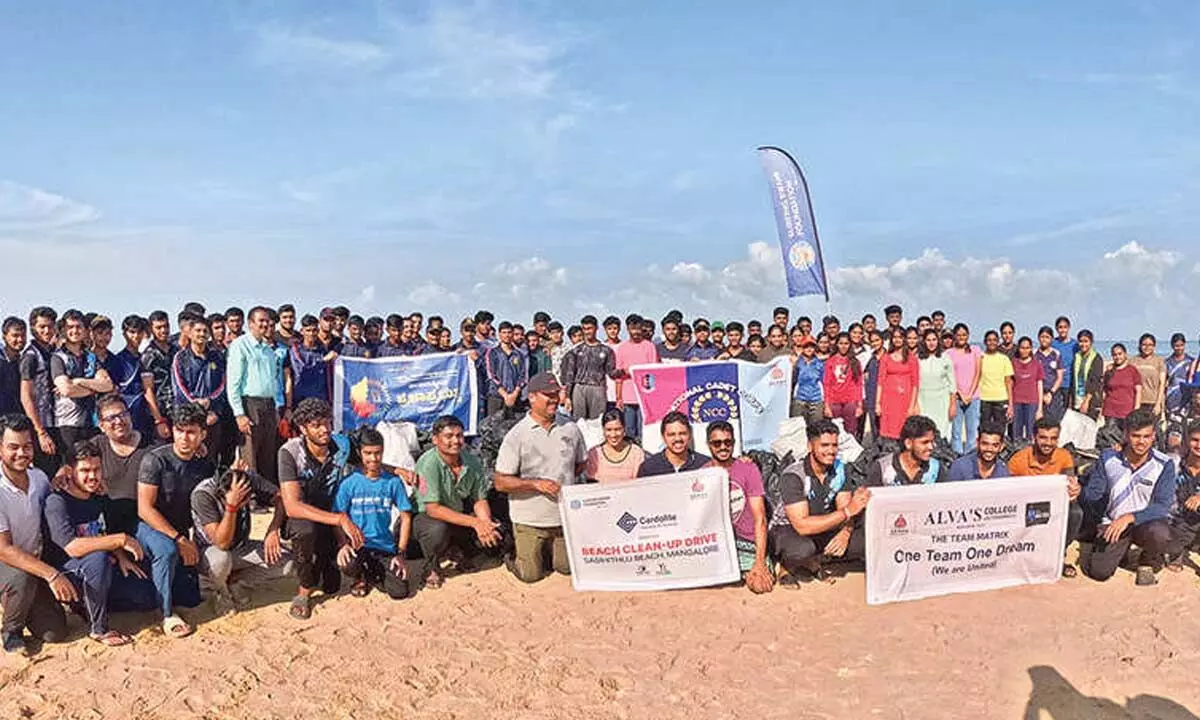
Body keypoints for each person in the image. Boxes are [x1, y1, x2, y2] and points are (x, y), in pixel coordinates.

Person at [43, 441, 147, 646]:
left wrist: (120, 556)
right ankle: (98, 628)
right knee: (97, 559)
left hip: (101, 570)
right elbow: (72, 547)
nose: (92, 476)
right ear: (70, 471)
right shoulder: (57, 502)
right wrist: (121, 539)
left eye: (97, 469)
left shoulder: (97, 497)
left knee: (144, 596)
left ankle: (90, 605)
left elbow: (100, 532)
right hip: (68, 573)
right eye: (85, 470)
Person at [493, 373, 587, 583]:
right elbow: (500, 482)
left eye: (556, 393)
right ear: (532, 397)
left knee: (565, 569)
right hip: (529, 519)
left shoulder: (571, 428)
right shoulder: (517, 435)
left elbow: (581, 465)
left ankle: (548, 552)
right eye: (548, 395)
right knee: (531, 576)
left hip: (563, 518)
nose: (554, 398)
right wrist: (536, 484)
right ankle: (512, 557)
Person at [278, 398, 363, 618]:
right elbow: (292, 506)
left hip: (332, 515)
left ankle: (334, 562)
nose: (324, 429)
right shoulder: (289, 452)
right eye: (316, 425)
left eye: (327, 422)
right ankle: (303, 593)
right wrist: (339, 520)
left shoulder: (342, 444)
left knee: (334, 582)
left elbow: (369, 462)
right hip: (304, 518)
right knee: (304, 531)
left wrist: (399, 471)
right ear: (303, 429)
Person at [135, 403, 212, 639]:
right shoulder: (155, 460)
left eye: (191, 432)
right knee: (167, 551)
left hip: (182, 528)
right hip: (149, 526)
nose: (184, 437)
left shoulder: (204, 464)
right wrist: (179, 539)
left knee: (191, 598)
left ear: (202, 435)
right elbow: (144, 509)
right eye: (180, 430)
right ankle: (167, 615)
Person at [0, 414, 75, 655]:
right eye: (13, 447)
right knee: (19, 578)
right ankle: (11, 630)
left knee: (55, 633)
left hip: (33, 563)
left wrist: (68, 480)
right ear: (0, 448)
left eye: (27, 446)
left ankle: (22, 600)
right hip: (7, 563)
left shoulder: (39, 478)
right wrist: (51, 575)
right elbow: (3, 549)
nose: (21, 453)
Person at [770, 419, 870, 586]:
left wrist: (845, 532)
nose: (831, 451)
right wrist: (847, 512)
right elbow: (802, 526)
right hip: (788, 528)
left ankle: (813, 560)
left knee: (862, 541)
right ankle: (788, 565)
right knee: (802, 549)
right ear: (810, 447)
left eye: (834, 445)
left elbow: (846, 507)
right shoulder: (794, 475)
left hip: (823, 523)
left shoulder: (840, 469)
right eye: (824, 445)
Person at [1081, 408, 1173, 586]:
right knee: (1099, 572)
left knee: (1160, 533)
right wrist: (1080, 490)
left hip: (1144, 523)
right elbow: (1093, 495)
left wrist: (1130, 517)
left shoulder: (1164, 464)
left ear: (1154, 436)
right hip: (1113, 523)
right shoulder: (1108, 458)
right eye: (1136, 436)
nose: (1141, 442)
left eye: (1146, 436)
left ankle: (1147, 560)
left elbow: (1162, 506)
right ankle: (1120, 552)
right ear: (1125, 435)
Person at [412, 415, 500, 589]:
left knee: (496, 534)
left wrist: (486, 524)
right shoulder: (428, 463)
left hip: (457, 512)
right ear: (435, 440)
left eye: (459, 435)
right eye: (449, 436)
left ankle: (455, 551)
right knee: (437, 529)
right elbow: (433, 509)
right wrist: (476, 523)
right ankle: (431, 567)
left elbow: (479, 499)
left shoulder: (471, 461)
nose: (456, 441)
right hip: (426, 518)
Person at [191, 462, 288, 611]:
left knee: (288, 562)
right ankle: (220, 592)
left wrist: (273, 529)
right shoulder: (202, 495)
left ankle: (235, 580)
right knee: (221, 560)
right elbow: (221, 543)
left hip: (241, 547)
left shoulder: (247, 480)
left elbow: (281, 498)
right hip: (210, 552)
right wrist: (231, 507)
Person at [332, 428, 411, 600]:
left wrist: (400, 553)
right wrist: (343, 544)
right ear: (360, 453)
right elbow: (338, 517)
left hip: (384, 546)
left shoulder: (393, 482)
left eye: (378, 453)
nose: (373, 458)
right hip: (357, 545)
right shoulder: (348, 483)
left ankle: (374, 573)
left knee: (399, 592)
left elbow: (406, 517)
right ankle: (359, 577)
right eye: (368, 453)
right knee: (348, 562)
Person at [1007, 417, 1084, 577]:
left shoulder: (1064, 456)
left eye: (1053, 438)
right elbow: (1008, 494)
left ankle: (1057, 556)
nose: (1048, 443)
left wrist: (1074, 490)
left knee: (1076, 513)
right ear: (1034, 437)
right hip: (1024, 508)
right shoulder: (1018, 460)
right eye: (1043, 437)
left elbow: (1070, 483)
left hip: (1052, 507)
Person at [703, 421, 772, 593]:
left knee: (760, 586)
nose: (723, 447)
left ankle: (760, 566)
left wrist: (760, 563)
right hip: (719, 544)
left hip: (747, 542)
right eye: (717, 443)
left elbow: (760, 519)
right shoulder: (702, 474)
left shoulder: (748, 469)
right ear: (708, 445)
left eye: (728, 442)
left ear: (734, 443)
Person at [171, 313, 236, 471]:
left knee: (212, 459)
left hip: (212, 417)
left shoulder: (217, 357)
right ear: (190, 333)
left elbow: (223, 384)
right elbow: (179, 388)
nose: (202, 334)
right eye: (198, 330)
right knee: (190, 459)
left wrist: (211, 404)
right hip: (189, 418)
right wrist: (197, 408)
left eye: (205, 331)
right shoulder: (181, 357)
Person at [227, 307, 283, 481]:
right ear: (251, 324)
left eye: (267, 321)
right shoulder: (240, 345)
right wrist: (239, 414)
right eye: (261, 321)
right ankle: (249, 497)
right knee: (249, 453)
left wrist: (276, 408)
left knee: (267, 452)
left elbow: (273, 382)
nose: (265, 324)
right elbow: (233, 383)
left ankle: (265, 495)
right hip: (249, 404)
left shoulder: (268, 350)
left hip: (268, 405)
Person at [50, 309, 113, 460]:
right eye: (70, 327)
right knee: (70, 468)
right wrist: (93, 388)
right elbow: (66, 389)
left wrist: (79, 381)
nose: (74, 331)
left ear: (85, 330)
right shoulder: (58, 358)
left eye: (78, 327)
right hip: (68, 423)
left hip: (93, 421)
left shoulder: (91, 357)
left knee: (94, 466)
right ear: (64, 330)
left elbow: (107, 385)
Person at [20, 307, 60, 475]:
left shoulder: (50, 352)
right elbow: (26, 396)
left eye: (50, 326)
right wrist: (40, 432)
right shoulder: (30, 356)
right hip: (40, 427)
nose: (46, 331)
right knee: (44, 475)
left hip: (55, 423)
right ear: (32, 328)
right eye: (42, 326)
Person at [865, 415, 948, 486]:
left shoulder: (936, 468)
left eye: (932, 442)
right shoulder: (883, 468)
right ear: (908, 443)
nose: (931, 447)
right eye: (925, 442)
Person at [561, 315, 616, 421]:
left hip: (598, 388)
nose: (587, 332)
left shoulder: (606, 350)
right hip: (579, 388)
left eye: (589, 328)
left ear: (596, 328)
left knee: (597, 422)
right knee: (579, 422)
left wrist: (626, 371)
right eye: (584, 329)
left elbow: (611, 372)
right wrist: (568, 396)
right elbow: (570, 374)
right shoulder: (575, 351)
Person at [613, 316, 659, 440]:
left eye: (638, 328)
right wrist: (618, 397)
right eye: (633, 328)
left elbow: (655, 373)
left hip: (645, 397)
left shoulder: (650, 346)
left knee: (645, 432)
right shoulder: (622, 348)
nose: (636, 332)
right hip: (628, 398)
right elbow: (618, 375)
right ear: (627, 329)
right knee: (629, 432)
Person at [1165, 421, 1200, 571]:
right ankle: (1177, 551)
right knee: (1173, 545)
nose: (1199, 445)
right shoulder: (1173, 463)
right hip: (1177, 519)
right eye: (1195, 440)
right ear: (1186, 440)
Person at [875, 327, 920, 440]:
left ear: (904, 339)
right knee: (888, 433)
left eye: (900, 337)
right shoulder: (885, 358)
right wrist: (878, 403)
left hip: (905, 401)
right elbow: (880, 382)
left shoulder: (911, 358)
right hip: (888, 401)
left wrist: (912, 406)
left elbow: (915, 384)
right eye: (895, 337)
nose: (897, 340)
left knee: (905, 433)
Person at [140, 310, 177, 443]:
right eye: (159, 327)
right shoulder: (148, 355)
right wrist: (158, 420)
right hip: (161, 412)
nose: (163, 330)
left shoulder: (176, 351)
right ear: (151, 329)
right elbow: (148, 390)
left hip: (178, 410)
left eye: (166, 326)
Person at [111, 315, 151, 436]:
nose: (135, 336)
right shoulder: (117, 360)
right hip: (127, 417)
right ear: (124, 334)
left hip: (146, 415)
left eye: (139, 332)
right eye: (132, 332)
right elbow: (113, 391)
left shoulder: (146, 358)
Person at [637, 412, 711, 476]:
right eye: (671, 434)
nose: (678, 439)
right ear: (663, 437)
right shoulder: (649, 468)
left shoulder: (705, 465)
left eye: (682, 433)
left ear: (690, 434)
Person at [946, 323, 982, 454]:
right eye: (959, 335)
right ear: (954, 336)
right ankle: (957, 459)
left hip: (974, 396)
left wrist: (970, 394)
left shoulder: (975, 350)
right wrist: (960, 394)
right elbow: (950, 377)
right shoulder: (948, 353)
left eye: (964, 335)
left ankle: (970, 459)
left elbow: (978, 373)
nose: (961, 337)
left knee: (972, 431)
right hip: (956, 397)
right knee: (956, 432)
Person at [286, 315, 335, 407]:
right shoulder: (296, 350)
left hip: (320, 400)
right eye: (308, 330)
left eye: (314, 330)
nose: (311, 334)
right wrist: (324, 361)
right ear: (302, 331)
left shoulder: (323, 351)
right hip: (301, 401)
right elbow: (302, 370)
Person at [585, 409, 646, 483]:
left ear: (624, 429)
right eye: (608, 430)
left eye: (617, 429)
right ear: (603, 430)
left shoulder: (636, 453)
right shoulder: (594, 453)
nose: (613, 435)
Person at [483, 322, 529, 419]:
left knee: (513, 428)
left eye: (509, 332)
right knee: (493, 427)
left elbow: (523, 376)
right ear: (499, 334)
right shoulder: (492, 353)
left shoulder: (519, 354)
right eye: (504, 332)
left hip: (515, 397)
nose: (507, 335)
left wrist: (514, 393)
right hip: (496, 397)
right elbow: (491, 375)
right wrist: (505, 395)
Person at [917, 328, 955, 440]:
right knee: (924, 432)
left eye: (934, 339)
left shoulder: (945, 358)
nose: (931, 343)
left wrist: (952, 405)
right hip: (923, 401)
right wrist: (915, 404)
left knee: (942, 433)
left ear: (938, 341)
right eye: (928, 340)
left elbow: (952, 384)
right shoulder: (917, 359)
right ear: (923, 341)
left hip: (942, 402)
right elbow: (914, 384)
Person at [822, 333, 864, 437]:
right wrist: (827, 406)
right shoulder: (830, 362)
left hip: (850, 402)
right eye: (841, 343)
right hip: (834, 401)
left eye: (846, 343)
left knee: (850, 432)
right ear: (836, 344)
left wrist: (859, 405)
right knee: (835, 432)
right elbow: (827, 384)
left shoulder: (855, 362)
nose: (843, 346)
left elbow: (858, 384)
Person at [1010, 336, 1045, 443]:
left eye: (1027, 348)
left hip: (1032, 402)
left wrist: (1040, 408)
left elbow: (1040, 385)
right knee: (1016, 433)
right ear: (1018, 348)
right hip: (1017, 402)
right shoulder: (1013, 363)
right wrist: (1010, 405)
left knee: (1031, 433)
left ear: (1031, 349)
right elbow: (1010, 383)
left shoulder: (1036, 364)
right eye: (1022, 348)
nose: (1024, 350)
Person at [978, 329, 1014, 430]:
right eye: (989, 340)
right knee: (984, 429)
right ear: (985, 342)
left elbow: (1008, 382)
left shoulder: (1004, 359)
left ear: (998, 342)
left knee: (1000, 429)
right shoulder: (980, 358)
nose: (992, 342)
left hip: (1001, 399)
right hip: (984, 399)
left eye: (994, 340)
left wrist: (1010, 405)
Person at [1102, 343, 1141, 428]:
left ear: (1125, 354)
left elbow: (1138, 391)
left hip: (1127, 411)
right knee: (1110, 438)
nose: (1117, 357)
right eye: (1114, 355)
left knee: (1126, 438)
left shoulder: (1132, 370)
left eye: (1120, 354)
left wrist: (1136, 409)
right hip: (1110, 411)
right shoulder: (1109, 372)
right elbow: (1105, 391)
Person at [790, 336, 825, 427]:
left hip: (816, 399)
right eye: (806, 346)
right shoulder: (797, 362)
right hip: (800, 399)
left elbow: (823, 382)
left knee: (816, 428)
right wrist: (793, 365)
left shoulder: (820, 364)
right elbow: (792, 379)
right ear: (802, 348)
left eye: (811, 346)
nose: (809, 349)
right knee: (798, 428)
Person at [1129, 333, 1166, 418]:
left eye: (1150, 345)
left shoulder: (1159, 361)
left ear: (1154, 346)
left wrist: (1158, 404)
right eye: (1144, 344)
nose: (1147, 347)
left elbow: (1162, 384)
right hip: (1137, 402)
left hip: (1153, 402)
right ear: (1140, 345)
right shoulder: (1133, 361)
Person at [1035, 326, 1065, 421]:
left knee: (1053, 422)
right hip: (1037, 393)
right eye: (1042, 336)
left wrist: (1050, 393)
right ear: (1038, 338)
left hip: (1053, 394)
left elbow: (1059, 377)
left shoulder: (1056, 354)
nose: (1044, 339)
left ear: (1051, 339)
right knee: (1037, 422)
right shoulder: (1034, 354)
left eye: (1047, 337)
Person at [1073, 330, 1105, 421]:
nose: (1083, 344)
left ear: (1091, 342)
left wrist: (1086, 401)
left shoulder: (1096, 358)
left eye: (1086, 341)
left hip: (1090, 400)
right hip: (1077, 397)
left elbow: (1095, 381)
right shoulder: (1077, 356)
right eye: (1081, 341)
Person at [862, 331, 884, 438]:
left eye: (877, 340)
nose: (875, 343)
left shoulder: (888, 356)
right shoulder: (869, 358)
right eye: (872, 341)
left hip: (886, 395)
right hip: (871, 395)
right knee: (874, 427)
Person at [1164, 333, 1193, 416]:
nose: (1179, 348)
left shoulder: (1191, 362)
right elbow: (1164, 383)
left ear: (1184, 345)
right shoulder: (1167, 363)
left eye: (1181, 345)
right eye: (1176, 345)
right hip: (1171, 398)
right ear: (1172, 346)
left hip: (1186, 398)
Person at [0, 317, 24, 416]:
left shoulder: (23, 361)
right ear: (4, 337)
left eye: (23, 336)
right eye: (15, 335)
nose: (20, 339)